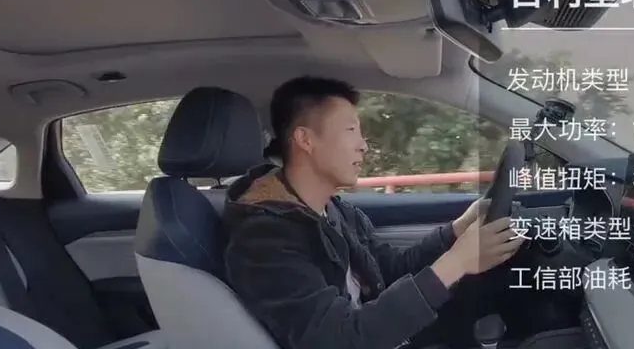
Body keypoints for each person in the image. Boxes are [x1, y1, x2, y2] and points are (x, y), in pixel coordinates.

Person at [223, 76, 525, 349]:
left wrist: (458, 229)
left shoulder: (334, 210)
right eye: (350, 130)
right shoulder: (265, 236)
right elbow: (337, 339)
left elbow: (390, 269)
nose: (363, 146)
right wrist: (456, 263)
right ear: (306, 140)